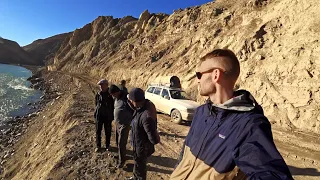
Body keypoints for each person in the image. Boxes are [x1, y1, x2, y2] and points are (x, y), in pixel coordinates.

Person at [170, 49, 293, 180]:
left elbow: (271, 174)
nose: (198, 80)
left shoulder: (248, 125)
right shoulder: (201, 112)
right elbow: (184, 154)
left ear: (215, 75)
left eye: (199, 75)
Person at [127, 88, 160, 180]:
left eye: (130, 100)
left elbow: (154, 139)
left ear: (135, 101)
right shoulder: (141, 108)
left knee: (141, 169)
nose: (129, 102)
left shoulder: (146, 116)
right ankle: (135, 177)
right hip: (138, 145)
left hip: (141, 149)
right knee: (137, 165)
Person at [108, 84, 134, 168]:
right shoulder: (116, 98)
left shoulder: (126, 99)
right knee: (117, 141)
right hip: (117, 124)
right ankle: (121, 155)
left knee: (121, 143)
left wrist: (130, 122)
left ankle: (122, 161)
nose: (112, 96)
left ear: (117, 92)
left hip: (124, 125)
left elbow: (134, 110)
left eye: (113, 94)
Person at [94, 79, 114, 152]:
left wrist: (111, 114)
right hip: (99, 116)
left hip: (107, 116)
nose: (101, 87)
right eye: (100, 85)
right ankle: (98, 145)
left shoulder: (110, 94)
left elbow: (113, 105)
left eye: (102, 85)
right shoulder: (98, 94)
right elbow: (96, 104)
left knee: (108, 131)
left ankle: (108, 145)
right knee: (98, 131)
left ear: (106, 85)